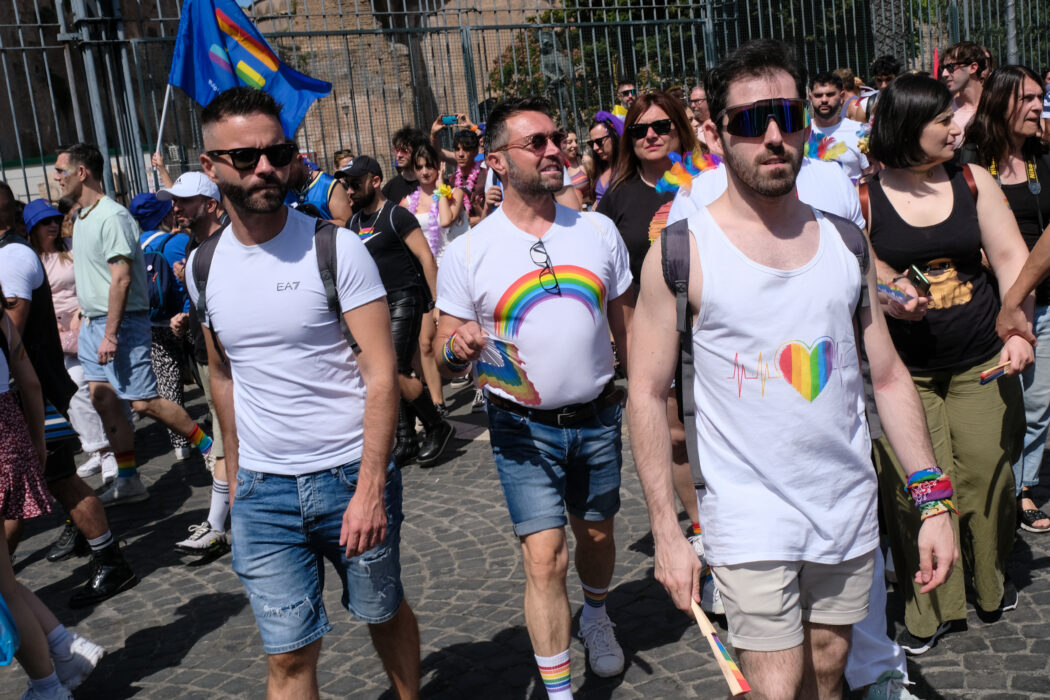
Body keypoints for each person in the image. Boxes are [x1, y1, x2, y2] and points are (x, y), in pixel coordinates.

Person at [629, 39, 958, 699]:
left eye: (788, 116)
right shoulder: (682, 253)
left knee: (831, 673)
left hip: (844, 505)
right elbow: (645, 392)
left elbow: (888, 377)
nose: (774, 136)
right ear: (719, 135)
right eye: (752, 121)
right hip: (748, 517)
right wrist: (668, 531)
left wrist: (933, 502)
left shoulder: (843, 239)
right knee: (776, 690)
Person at [188, 86, 419, 699]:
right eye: (245, 157)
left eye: (277, 152)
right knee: (288, 658)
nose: (266, 167)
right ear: (210, 167)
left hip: (348, 475)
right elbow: (223, 374)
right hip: (263, 493)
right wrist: (235, 479)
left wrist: (371, 487)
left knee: (383, 612)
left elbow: (380, 372)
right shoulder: (202, 265)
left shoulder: (334, 246)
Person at [434, 96, 634, 698]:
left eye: (556, 139)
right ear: (496, 161)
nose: (554, 150)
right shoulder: (466, 251)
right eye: (536, 143)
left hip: (598, 417)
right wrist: (458, 346)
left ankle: (596, 614)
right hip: (521, 427)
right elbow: (443, 354)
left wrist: (655, 398)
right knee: (544, 557)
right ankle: (559, 691)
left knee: (595, 537)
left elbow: (629, 329)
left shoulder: (598, 231)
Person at [866, 73, 1031, 653]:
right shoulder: (865, 195)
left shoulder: (972, 179)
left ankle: (990, 583)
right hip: (903, 374)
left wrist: (1019, 328)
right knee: (920, 486)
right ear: (910, 127)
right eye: (944, 118)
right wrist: (888, 292)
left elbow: (1012, 258)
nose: (958, 126)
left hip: (980, 358)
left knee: (988, 471)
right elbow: (862, 272)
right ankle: (930, 604)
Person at [52, 143, 213, 507]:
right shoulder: (81, 218)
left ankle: (208, 445)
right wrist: (86, 315)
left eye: (61, 171)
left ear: (82, 173)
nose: (56, 178)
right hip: (94, 323)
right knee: (102, 398)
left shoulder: (113, 217)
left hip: (122, 324)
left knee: (143, 403)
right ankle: (129, 480)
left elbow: (121, 279)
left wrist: (110, 332)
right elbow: (92, 275)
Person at [0, 190, 137, 608]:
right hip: (21, 392)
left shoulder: (12, 258)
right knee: (18, 492)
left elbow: (11, 335)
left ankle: (110, 559)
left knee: (62, 479)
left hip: (31, 393)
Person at [960, 66, 1050, 534]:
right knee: (996, 406)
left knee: (1037, 405)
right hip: (987, 305)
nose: (1038, 107)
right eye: (1029, 98)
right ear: (1001, 103)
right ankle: (991, 488)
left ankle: (1022, 488)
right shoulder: (970, 163)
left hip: (1045, 304)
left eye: (1041, 97)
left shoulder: (1043, 155)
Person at [0, 298, 105, 700]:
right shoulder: (3, 319)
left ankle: (49, 684)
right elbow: (29, 383)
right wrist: (37, 442)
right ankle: (63, 651)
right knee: (3, 580)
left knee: (4, 585)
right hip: (9, 435)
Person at [342, 155, 453, 468]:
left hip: (405, 297)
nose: (349, 190)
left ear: (375, 181)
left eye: (355, 183)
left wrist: (437, 305)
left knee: (395, 369)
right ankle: (405, 439)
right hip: (373, 307)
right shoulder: (352, 224)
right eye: (346, 185)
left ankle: (436, 425)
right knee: (384, 372)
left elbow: (426, 258)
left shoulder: (396, 216)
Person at [155, 171, 234, 555]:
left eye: (183, 201)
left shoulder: (228, 245)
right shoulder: (191, 246)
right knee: (227, 441)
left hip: (228, 360)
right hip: (205, 355)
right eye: (173, 200)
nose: (175, 208)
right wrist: (185, 314)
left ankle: (218, 525)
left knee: (225, 443)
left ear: (210, 204)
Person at [23, 199, 117, 485]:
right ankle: (96, 448)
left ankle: (106, 450)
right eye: (44, 222)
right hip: (52, 337)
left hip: (83, 327)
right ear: (32, 228)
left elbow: (93, 283)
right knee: (67, 394)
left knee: (83, 387)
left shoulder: (72, 249)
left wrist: (79, 312)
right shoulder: (30, 258)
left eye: (54, 219)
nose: (52, 224)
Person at [598, 89, 698, 288]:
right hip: (643, 313)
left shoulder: (708, 183)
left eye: (661, 126)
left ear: (680, 128)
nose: (650, 135)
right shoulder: (616, 197)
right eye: (639, 130)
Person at [129, 192, 195, 461]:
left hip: (153, 322)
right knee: (204, 375)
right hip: (185, 318)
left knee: (168, 382)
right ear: (165, 215)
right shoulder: (179, 241)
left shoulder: (134, 246)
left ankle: (181, 445)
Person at [808, 71, 870, 182]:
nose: (824, 100)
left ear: (841, 96)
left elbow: (870, 173)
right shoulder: (801, 132)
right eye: (818, 95)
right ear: (811, 97)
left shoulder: (860, 131)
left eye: (830, 94)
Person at [285, 150, 352, 225]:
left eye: (288, 169)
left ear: (300, 159)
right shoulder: (280, 189)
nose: (284, 175)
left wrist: (311, 222)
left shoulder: (328, 185)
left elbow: (346, 223)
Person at [941, 41, 987, 148]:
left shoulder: (997, 105)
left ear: (973, 68)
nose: (944, 74)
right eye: (942, 68)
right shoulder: (944, 109)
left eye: (951, 67)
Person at [383, 127, 429, 204]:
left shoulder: (430, 182)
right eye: (396, 150)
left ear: (417, 151)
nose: (399, 155)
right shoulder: (390, 187)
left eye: (404, 151)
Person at [586, 113, 622, 206]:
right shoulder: (600, 168)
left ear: (614, 137)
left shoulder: (630, 168)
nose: (595, 147)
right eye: (591, 143)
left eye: (599, 141)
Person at [562, 131, 591, 208]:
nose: (575, 145)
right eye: (569, 142)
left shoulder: (585, 161)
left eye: (576, 141)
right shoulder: (557, 168)